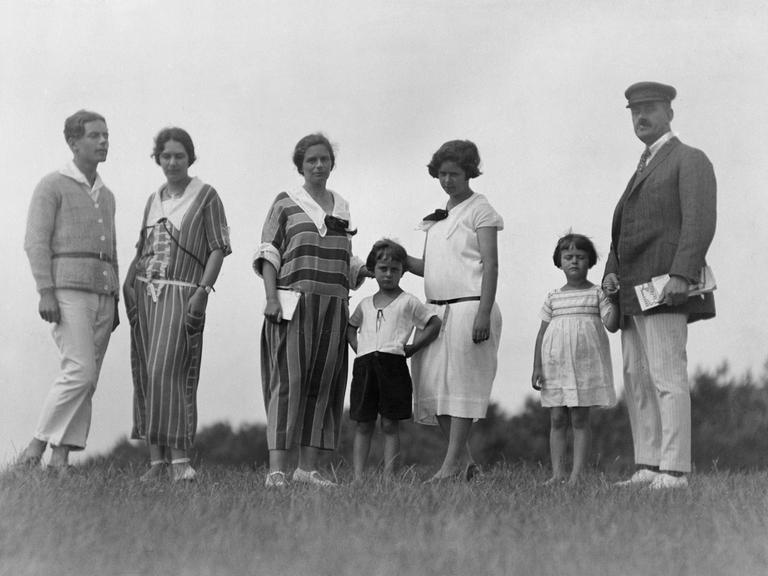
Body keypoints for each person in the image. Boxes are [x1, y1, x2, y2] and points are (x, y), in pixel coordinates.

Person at [603, 82, 716, 490]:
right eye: (634, 110)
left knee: (668, 377)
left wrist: (682, 275)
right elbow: (620, 234)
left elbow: (699, 221)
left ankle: (674, 470)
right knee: (637, 378)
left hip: (666, 286)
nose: (641, 117)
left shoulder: (689, 159)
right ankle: (649, 464)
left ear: (670, 111)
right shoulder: (641, 166)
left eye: (650, 108)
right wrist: (609, 277)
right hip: (632, 291)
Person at [254, 133, 366, 488]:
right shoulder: (286, 202)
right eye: (311, 161)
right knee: (288, 383)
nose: (319, 166)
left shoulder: (343, 207)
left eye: (324, 159)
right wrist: (271, 298)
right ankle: (276, 470)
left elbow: (347, 259)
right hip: (293, 304)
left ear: (332, 163)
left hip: (334, 305)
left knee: (324, 384)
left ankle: (307, 468)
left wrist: (372, 266)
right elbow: (269, 253)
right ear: (300, 166)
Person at [124, 127, 231, 482]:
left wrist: (203, 290)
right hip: (145, 293)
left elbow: (217, 247)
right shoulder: (153, 199)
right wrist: (129, 287)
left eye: (179, 156)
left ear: (190, 158)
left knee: (169, 370)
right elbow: (142, 250)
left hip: (183, 291)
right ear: (158, 158)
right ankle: (157, 463)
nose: (172, 162)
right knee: (147, 374)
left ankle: (181, 461)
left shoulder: (206, 195)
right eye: (166, 156)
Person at [18, 109, 118, 472]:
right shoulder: (52, 185)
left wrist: (115, 299)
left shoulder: (106, 195)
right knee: (80, 371)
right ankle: (36, 446)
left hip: (104, 295)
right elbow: (35, 241)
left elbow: (113, 250)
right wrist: (45, 290)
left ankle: (60, 459)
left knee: (87, 380)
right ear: (73, 142)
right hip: (66, 291)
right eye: (94, 135)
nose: (104, 141)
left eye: (106, 135)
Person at [408, 140, 503, 482]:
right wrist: (402, 261)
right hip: (435, 311)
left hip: (470, 306)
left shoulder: (481, 209)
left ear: (469, 173)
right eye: (442, 174)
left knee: (461, 388)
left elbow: (490, 265)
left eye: (455, 174)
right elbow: (431, 268)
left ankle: (450, 467)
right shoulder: (436, 218)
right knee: (433, 389)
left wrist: (483, 311)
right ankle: (465, 463)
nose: (447, 180)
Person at [347, 239, 441, 481]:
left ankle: (389, 478)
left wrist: (412, 347)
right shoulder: (365, 304)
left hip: (393, 367)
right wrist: (360, 348)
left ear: (402, 271)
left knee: (390, 425)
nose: (388, 274)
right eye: (382, 269)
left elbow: (434, 323)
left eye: (394, 269)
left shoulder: (408, 301)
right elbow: (350, 327)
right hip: (365, 368)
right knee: (363, 423)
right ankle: (358, 478)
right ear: (373, 270)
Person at [532, 233, 618, 485]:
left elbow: (612, 325)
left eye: (580, 257)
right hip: (555, 365)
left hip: (584, 365)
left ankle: (576, 476)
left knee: (580, 418)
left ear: (589, 262)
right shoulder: (553, 297)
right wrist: (537, 365)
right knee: (557, 418)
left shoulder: (597, 294)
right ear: (559, 262)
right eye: (568, 257)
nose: (574, 262)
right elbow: (542, 333)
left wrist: (614, 298)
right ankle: (557, 474)